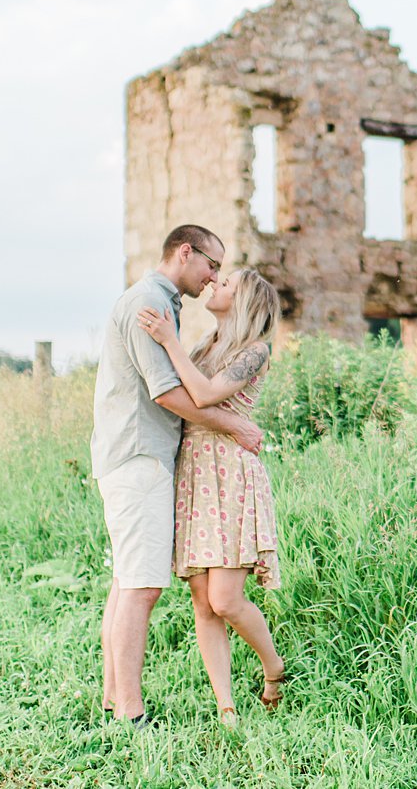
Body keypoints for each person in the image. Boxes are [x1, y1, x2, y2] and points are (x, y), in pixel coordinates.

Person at [91, 224, 265, 724]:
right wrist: (234, 424)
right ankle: (129, 711)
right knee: (142, 586)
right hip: (140, 454)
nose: (214, 278)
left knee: (128, 581)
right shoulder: (152, 302)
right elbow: (168, 394)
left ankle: (112, 698)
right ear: (185, 252)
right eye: (212, 264)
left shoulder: (158, 302)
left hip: (133, 453)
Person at [136, 266, 287, 726]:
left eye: (227, 284)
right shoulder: (204, 345)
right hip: (195, 470)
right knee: (202, 600)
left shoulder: (255, 352)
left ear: (244, 302)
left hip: (230, 472)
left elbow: (201, 395)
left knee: (225, 598)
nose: (215, 285)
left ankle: (273, 665)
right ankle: (226, 707)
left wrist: (168, 339)